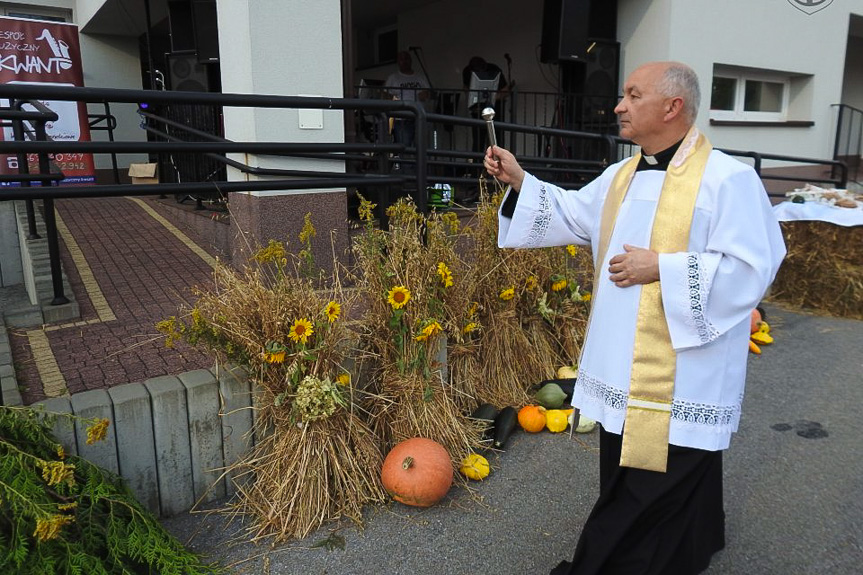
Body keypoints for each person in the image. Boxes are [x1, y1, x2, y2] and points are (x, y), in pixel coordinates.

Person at [485, 61, 786, 574]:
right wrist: (520, 181)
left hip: (682, 373)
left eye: (632, 95)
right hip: (621, 359)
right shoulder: (621, 174)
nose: (619, 105)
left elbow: (752, 267)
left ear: (673, 107)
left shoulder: (728, 179)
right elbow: (571, 213)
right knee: (642, 470)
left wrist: (662, 268)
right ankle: (690, 546)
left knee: (644, 488)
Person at [462, 56, 510, 153]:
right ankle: (477, 166)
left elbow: (505, 91)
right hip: (477, 110)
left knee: (496, 139)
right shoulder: (467, 71)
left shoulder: (494, 70)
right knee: (478, 140)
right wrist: (472, 100)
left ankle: (497, 164)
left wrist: (492, 97)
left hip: (495, 110)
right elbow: (466, 88)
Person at [385, 50, 429, 148]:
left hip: (419, 117)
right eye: (401, 59)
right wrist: (393, 100)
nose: (404, 61)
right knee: (404, 148)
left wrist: (425, 94)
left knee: (420, 148)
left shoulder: (420, 77)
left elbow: (428, 93)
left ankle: (419, 164)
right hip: (401, 119)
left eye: (407, 59)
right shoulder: (393, 78)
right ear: (398, 62)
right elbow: (385, 95)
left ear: (411, 60)